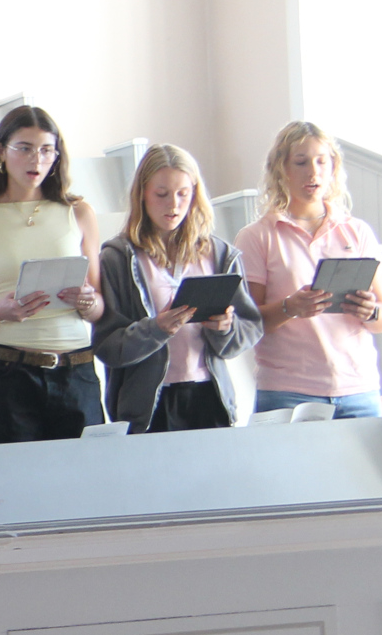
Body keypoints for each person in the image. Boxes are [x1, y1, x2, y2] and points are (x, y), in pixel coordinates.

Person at [0, 105, 107, 443]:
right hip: (10, 371)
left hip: (76, 369)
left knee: (83, 473)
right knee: (14, 474)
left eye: (47, 150)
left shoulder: (78, 211)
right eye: (25, 148)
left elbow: (98, 308)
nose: (37, 160)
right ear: (2, 152)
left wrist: (87, 301)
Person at [95, 145, 262, 433]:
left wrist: (224, 328)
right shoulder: (118, 257)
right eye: (161, 194)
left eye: (183, 194)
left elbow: (250, 329)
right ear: (142, 194)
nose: (173, 205)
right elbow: (108, 347)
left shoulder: (220, 254)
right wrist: (156, 329)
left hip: (209, 396)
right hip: (148, 405)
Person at [237, 120, 382, 418]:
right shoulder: (257, 236)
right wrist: (290, 307)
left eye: (322, 161)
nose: (313, 172)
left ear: (333, 167)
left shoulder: (357, 231)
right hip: (288, 392)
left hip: (358, 390)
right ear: (282, 169)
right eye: (301, 162)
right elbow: (248, 322)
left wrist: (370, 311)